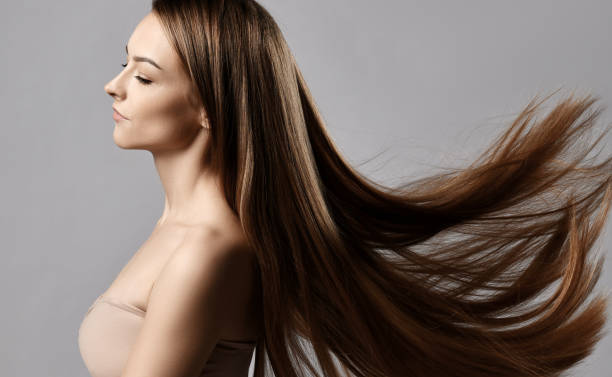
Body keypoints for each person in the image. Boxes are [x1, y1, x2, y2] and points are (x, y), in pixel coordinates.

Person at [78, 1, 612, 377]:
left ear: (210, 109)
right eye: (123, 62)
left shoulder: (205, 254)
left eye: (144, 77)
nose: (115, 84)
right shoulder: (184, 232)